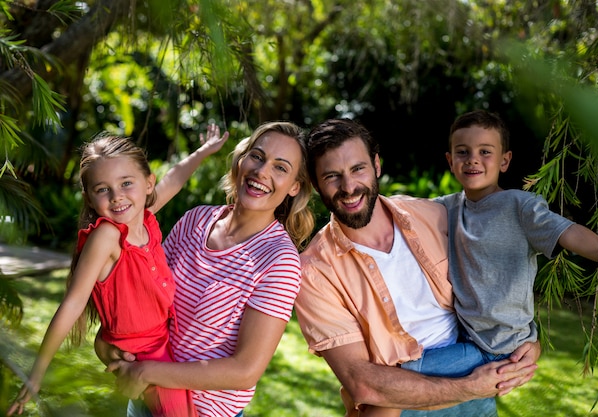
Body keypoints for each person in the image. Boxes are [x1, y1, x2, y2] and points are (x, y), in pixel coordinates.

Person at [294, 118, 541, 417]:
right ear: (316, 182)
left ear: (376, 166)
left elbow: (494, 277)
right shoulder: (314, 271)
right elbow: (361, 382)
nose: (349, 187)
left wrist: (527, 339)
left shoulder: (433, 215)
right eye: (332, 176)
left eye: (358, 169)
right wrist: (471, 386)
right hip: (406, 400)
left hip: (472, 385)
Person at [94, 121, 315, 417]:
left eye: (280, 168)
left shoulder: (279, 260)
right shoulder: (194, 221)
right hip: (146, 398)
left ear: (294, 187)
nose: (262, 172)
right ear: (240, 160)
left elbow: (245, 371)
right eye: (257, 156)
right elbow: (145, 292)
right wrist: (112, 342)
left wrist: (148, 372)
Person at [6, 125, 229, 417]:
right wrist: (37, 373)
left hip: (162, 342)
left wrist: (204, 150)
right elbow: (72, 304)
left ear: (148, 183)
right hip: (142, 352)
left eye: (126, 183)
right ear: (89, 197)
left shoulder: (145, 219)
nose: (117, 197)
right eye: (103, 189)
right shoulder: (108, 237)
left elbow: (174, 179)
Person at [437, 109, 598, 369]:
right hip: (463, 336)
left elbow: (571, 233)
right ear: (450, 160)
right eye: (462, 152)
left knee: (402, 378)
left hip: (501, 345)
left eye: (485, 152)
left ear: (505, 161)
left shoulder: (520, 206)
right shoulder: (447, 207)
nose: (472, 160)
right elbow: (401, 211)